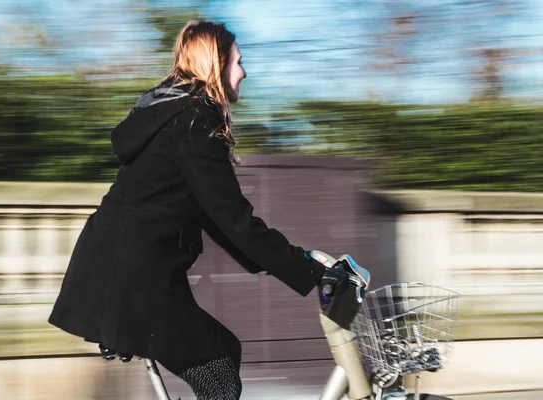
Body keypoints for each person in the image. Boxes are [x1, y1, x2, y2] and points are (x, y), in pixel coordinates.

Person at [49, 20, 347, 400]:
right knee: (219, 366)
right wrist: (310, 273)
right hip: (134, 279)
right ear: (215, 65)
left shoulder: (172, 112)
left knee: (219, 356)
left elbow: (218, 220)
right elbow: (233, 218)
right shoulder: (195, 121)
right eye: (238, 61)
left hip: (120, 271)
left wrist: (298, 263)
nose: (244, 71)